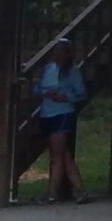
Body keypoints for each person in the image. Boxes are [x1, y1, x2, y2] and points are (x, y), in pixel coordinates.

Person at [32, 38, 88, 202]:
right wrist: (46, 92)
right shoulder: (47, 69)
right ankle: (80, 190)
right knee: (63, 155)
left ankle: (52, 194)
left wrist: (66, 96)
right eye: (56, 51)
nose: (58, 54)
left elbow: (81, 93)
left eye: (62, 51)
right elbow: (37, 88)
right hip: (47, 113)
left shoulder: (73, 72)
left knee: (57, 156)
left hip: (62, 113)